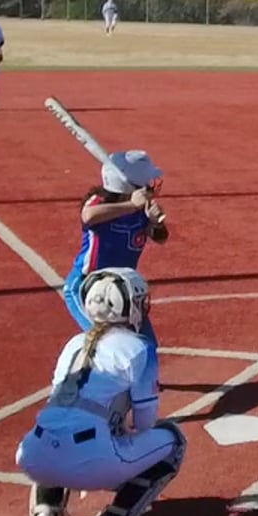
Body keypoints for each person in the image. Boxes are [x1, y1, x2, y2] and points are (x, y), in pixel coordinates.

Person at [16, 267, 186, 516]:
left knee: (59, 428)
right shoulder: (138, 348)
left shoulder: (73, 344)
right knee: (173, 441)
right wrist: (118, 428)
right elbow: (145, 423)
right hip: (91, 457)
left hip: (33, 455)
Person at [62, 151, 169, 365]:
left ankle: (145, 381)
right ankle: (91, 379)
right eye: (146, 184)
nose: (151, 187)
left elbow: (161, 237)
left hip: (122, 290)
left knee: (147, 347)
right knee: (105, 342)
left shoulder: (144, 208)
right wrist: (131, 205)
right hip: (88, 288)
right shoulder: (99, 202)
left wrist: (155, 222)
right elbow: (88, 216)